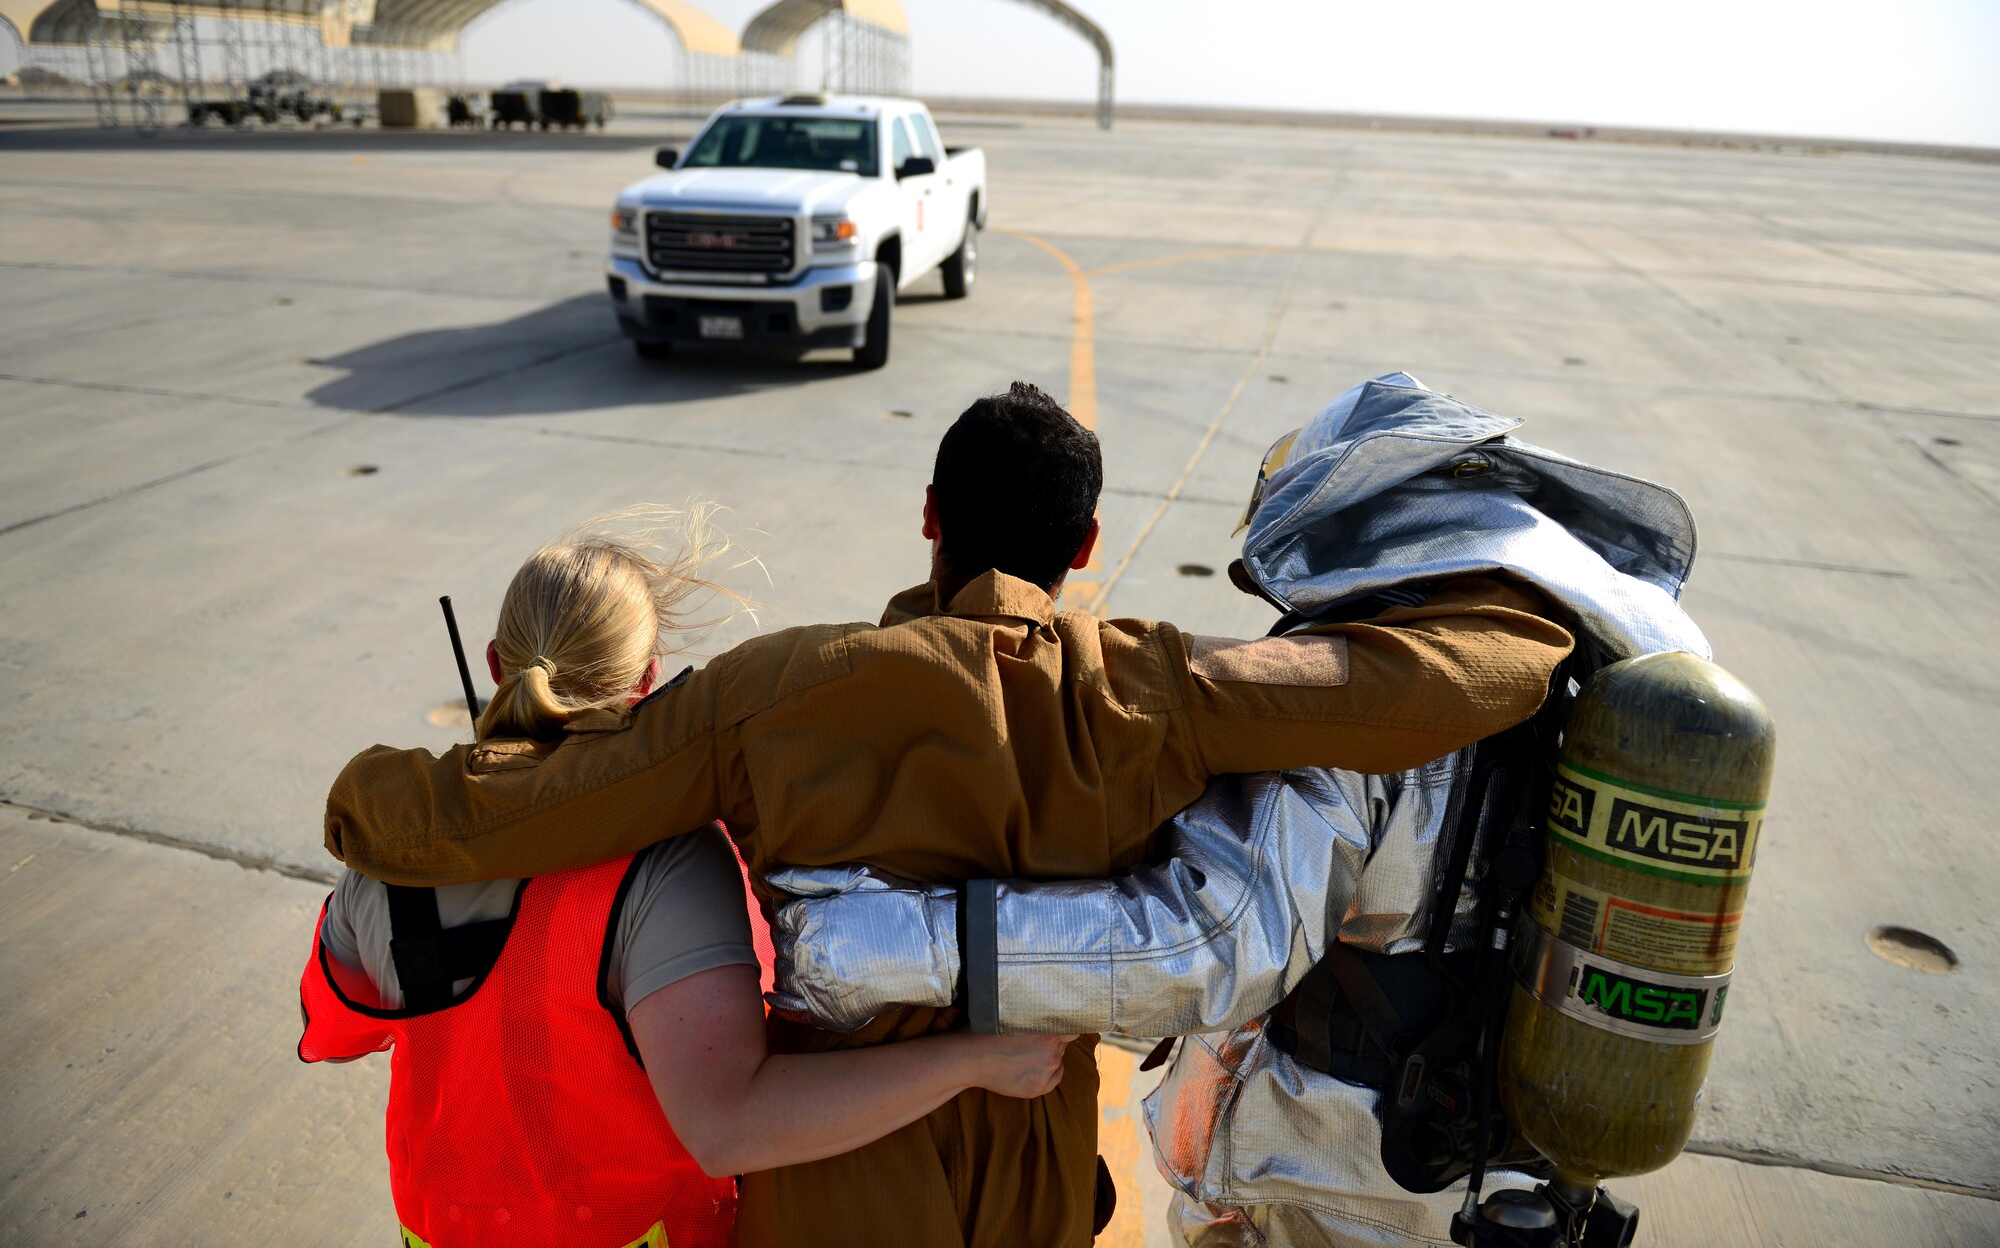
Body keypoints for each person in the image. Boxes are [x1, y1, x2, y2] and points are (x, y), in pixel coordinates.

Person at [321, 382, 1576, 1248]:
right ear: (1084, 541)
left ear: (928, 515)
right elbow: (1443, 679)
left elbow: (537, 802)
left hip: (833, 1187)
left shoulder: (771, 695)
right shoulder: (1154, 685)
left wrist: (372, 800)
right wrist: (1538, 602)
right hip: (1032, 1175)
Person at [762, 374, 1714, 1246]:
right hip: (1508, 1170)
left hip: (1332, 1180)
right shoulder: (1578, 684)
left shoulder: (1371, 713)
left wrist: (878, 943)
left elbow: (1208, 945)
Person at [297, 510, 1074, 1248]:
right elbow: (727, 1126)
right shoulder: (664, 863)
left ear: (499, 666)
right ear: (648, 684)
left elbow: (335, 1030)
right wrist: (975, 1060)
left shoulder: (396, 847)